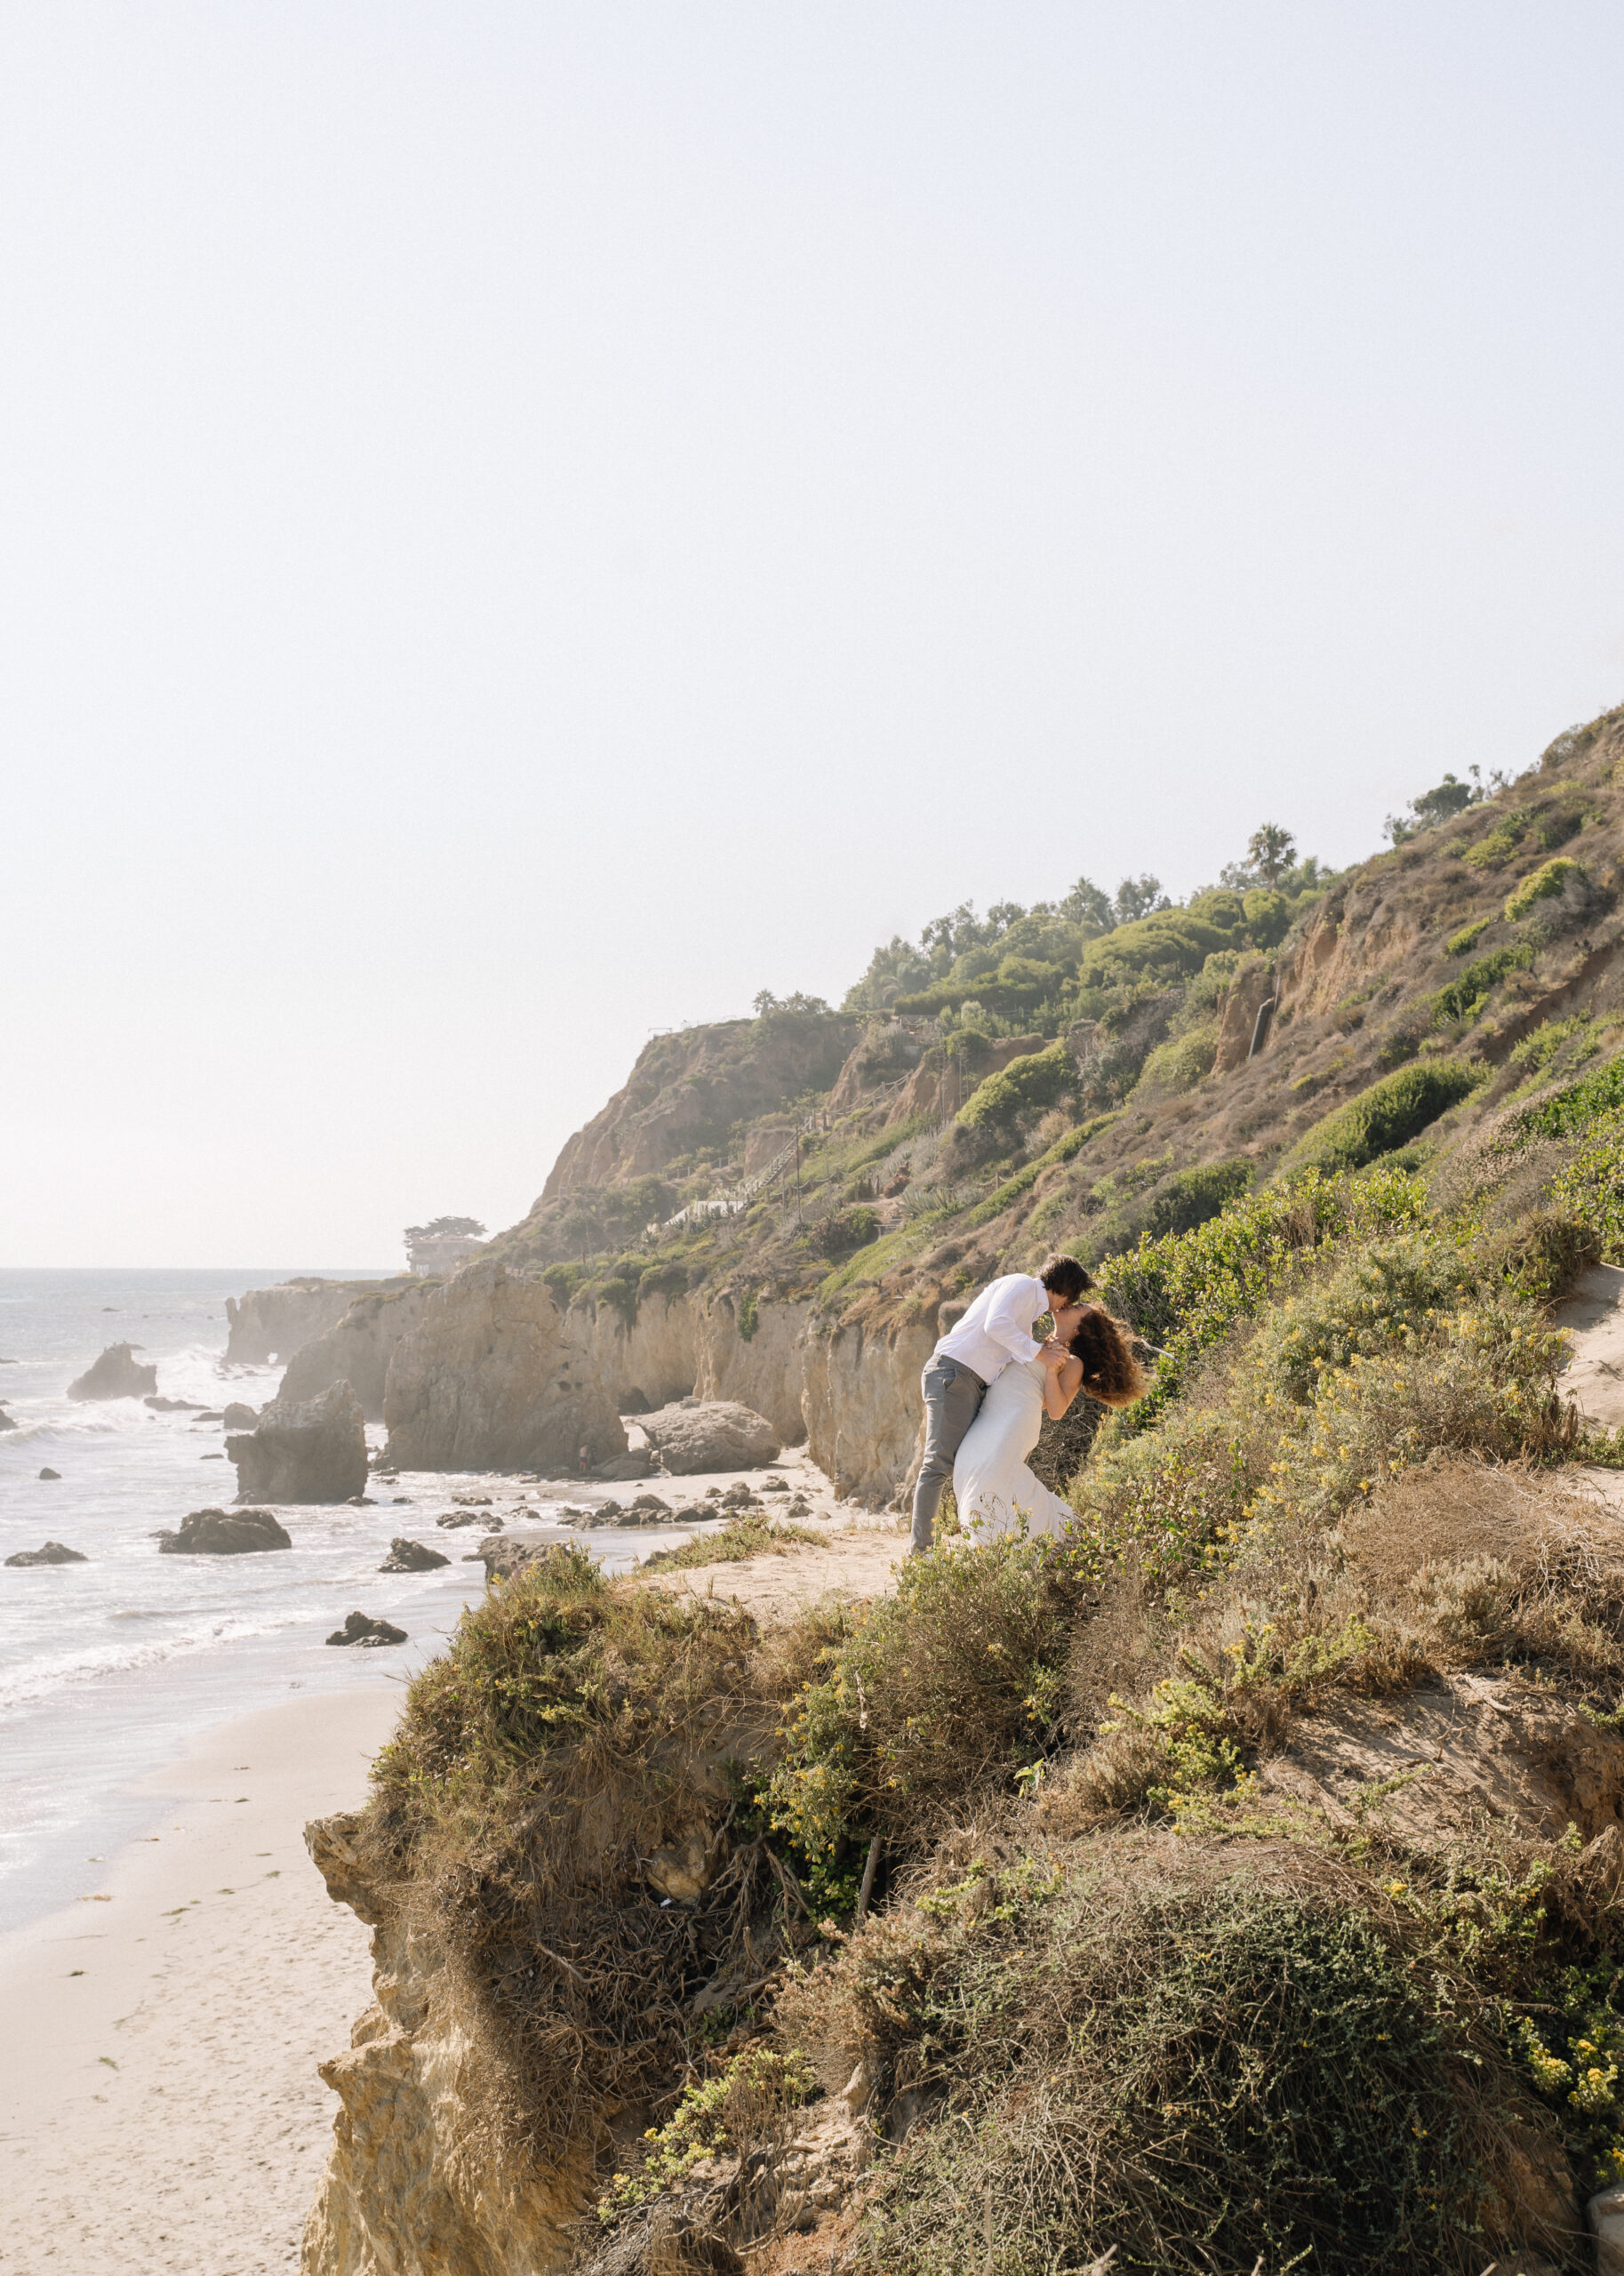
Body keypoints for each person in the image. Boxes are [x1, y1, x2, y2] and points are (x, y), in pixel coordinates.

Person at [909, 1254, 1092, 1555]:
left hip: (969, 1381)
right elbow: (996, 1324)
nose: (1066, 1306)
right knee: (938, 1464)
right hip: (955, 1373)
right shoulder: (1020, 1285)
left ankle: (968, 1536)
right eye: (1072, 1298)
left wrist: (1043, 1356)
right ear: (1064, 1290)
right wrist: (1040, 1353)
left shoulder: (1030, 1318)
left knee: (961, 1464)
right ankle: (921, 1550)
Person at [952, 1300, 1148, 1542]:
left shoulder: (1074, 1363)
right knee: (970, 1465)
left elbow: (1055, 1409)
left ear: (1080, 1328)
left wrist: (1052, 1370)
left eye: (1078, 1308)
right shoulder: (1033, 1340)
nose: (1069, 1305)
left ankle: (1014, 1541)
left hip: (1015, 1418)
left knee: (993, 1471)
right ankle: (996, 1541)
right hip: (991, 1414)